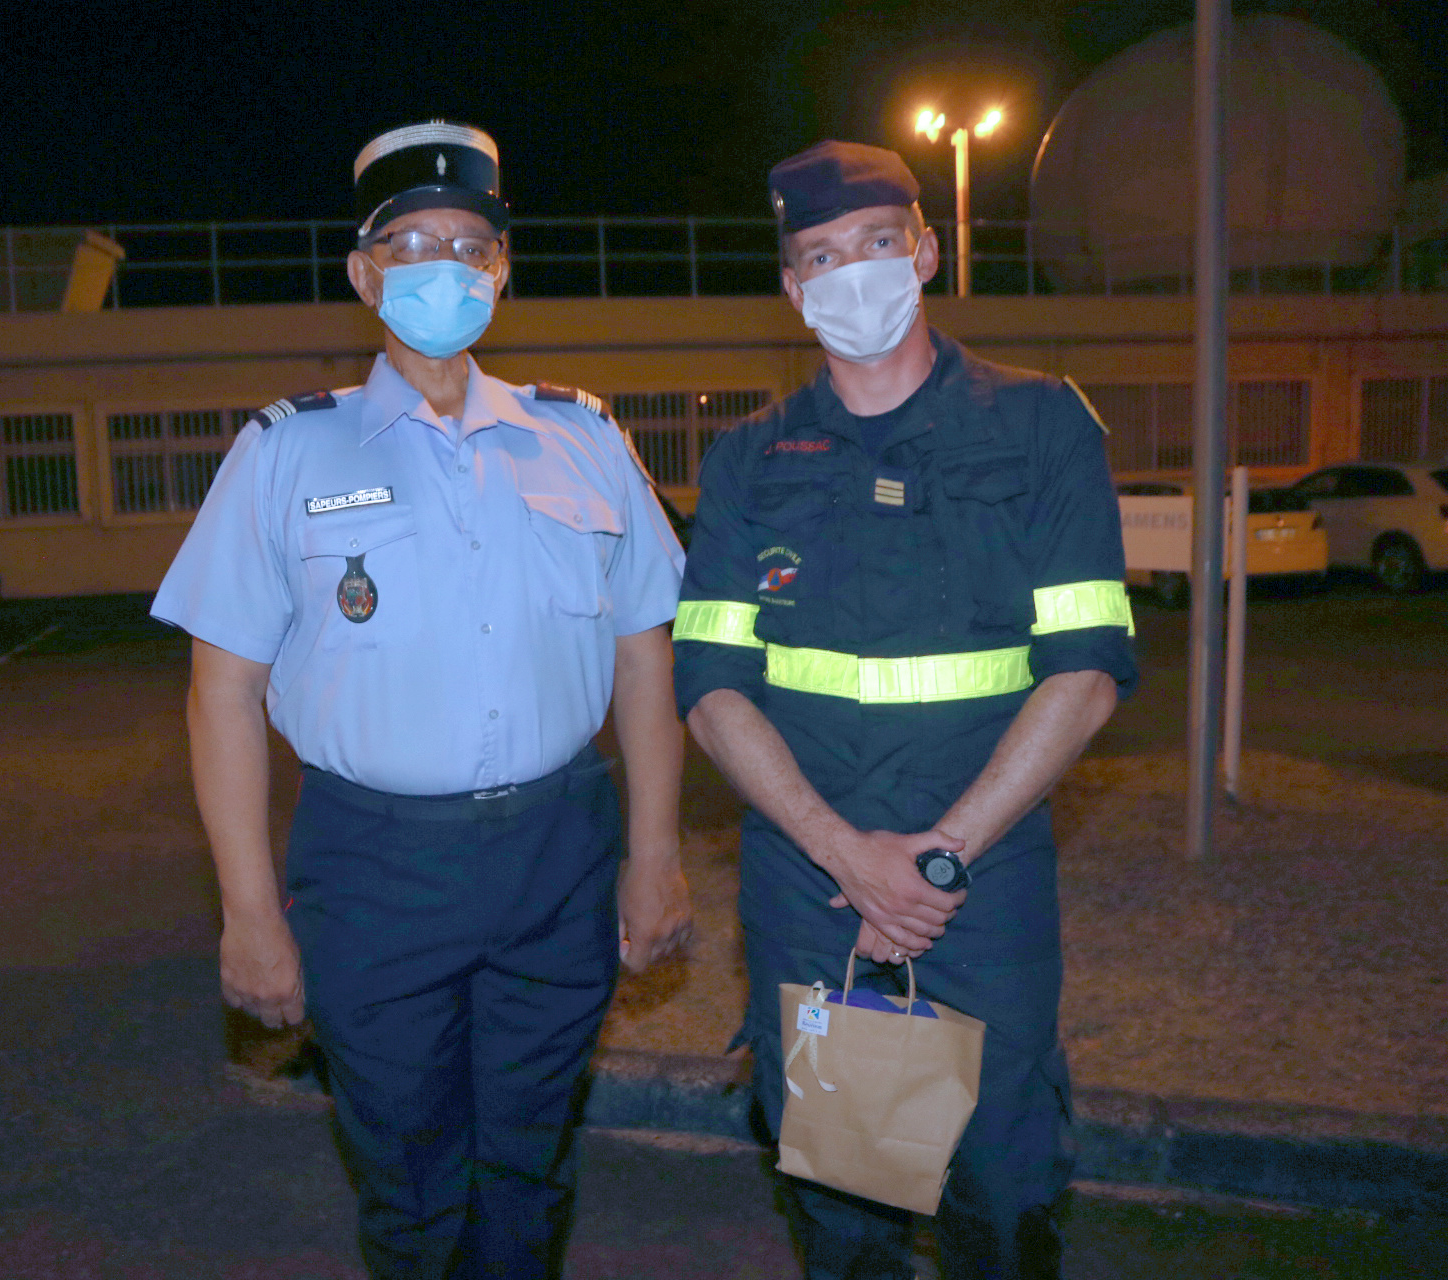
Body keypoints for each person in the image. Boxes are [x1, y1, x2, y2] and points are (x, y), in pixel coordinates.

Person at [152, 121, 691, 1279]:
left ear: (501, 270)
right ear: (363, 273)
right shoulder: (286, 451)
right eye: (410, 242)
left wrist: (654, 852)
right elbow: (222, 695)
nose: (443, 263)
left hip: (560, 849)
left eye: (469, 242)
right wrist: (249, 909)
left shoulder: (582, 437)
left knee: (533, 1157)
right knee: (407, 1168)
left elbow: (648, 655)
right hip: (375, 865)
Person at [673, 142, 1137, 1279]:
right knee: (845, 1198)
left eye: (878, 244)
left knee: (1005, 1187)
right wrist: (849, 855)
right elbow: (710, 685)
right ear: (791, 288)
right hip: (810, 881)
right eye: (821, 257)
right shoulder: (745, 459)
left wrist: (932, 864)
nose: (854, 274)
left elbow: (1086, 669)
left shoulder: (1041, 430)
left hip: (978, 882)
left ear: (926, 251)